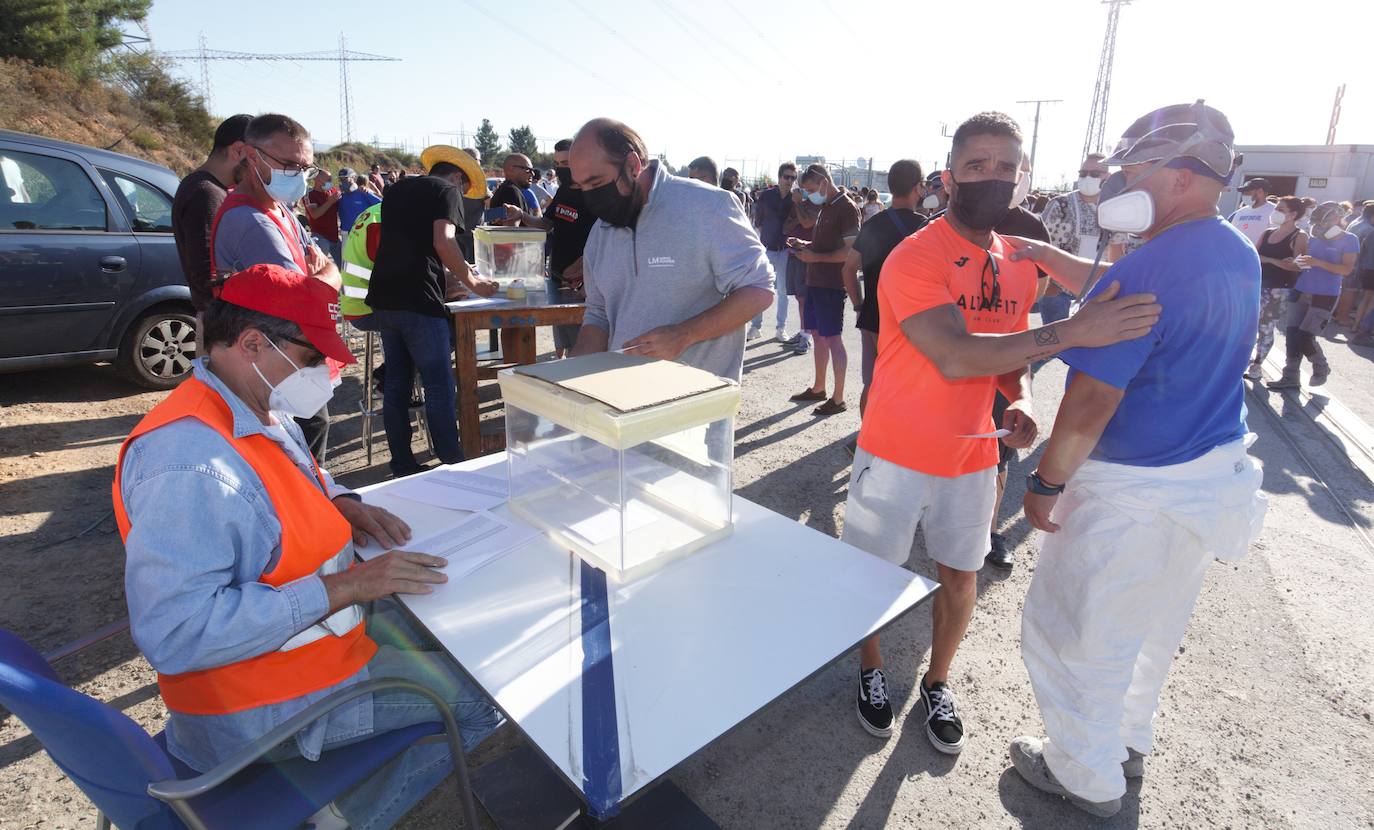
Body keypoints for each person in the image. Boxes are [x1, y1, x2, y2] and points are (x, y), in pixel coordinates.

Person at [114, 263, 501, 830]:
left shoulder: (252, 407)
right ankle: (344, 817)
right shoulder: (190, 465)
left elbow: (300, 476)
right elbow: (176, 634)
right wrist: (349, 585)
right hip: (258, 702)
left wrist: (343, 501)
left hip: (298, 660)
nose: (328, 372)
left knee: (455, 632)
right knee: (483, 698)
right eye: (313, 358)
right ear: (251, 344)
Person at [839, 111, 1162, 749]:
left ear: (1022, 179)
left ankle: (937, 682)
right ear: (950, 174)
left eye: (1006, 168)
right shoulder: (914, 256)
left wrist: (1024, 394)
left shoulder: (1015, 260)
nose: (992, 178)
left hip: (973, 455)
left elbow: (1017, 348)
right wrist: (1072, 332)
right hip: (895, 452)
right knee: (871, 574)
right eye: (978, 165)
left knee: (962, 575)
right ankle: (871, 668)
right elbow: (957, 353)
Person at [1006, 100, 1266, 819]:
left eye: (1133, 170)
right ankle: (1125, 742)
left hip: (1133, 492)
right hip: (1203, 479)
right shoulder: (1231, 249)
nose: (1118, 183)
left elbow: (1089, 401)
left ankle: (1083, 775)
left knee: (1076, 633)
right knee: (1149, 629)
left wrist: (1046, 482)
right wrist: (1047, 260)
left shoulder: (1149, 264)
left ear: (1180, 176)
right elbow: (1107, 288)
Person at [568, 117, 774, 380]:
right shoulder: (601, 232)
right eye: (581, 186)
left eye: (595, 184)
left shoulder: (708, 207)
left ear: (632, 165)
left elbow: (760, 289)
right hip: (622, 399)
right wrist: (568, 376)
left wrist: (684, 334)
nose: (590, 197)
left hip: (695, 406)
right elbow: (599, 315)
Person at [210, 113, 340, 461]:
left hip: (293, 355)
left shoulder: (279, 209)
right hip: (274, 362)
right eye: (290, 165)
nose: (299, 177)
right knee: (297, 449)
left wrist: (323, 276)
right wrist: (329, 278)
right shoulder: (250, 222)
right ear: (252, 157)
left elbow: (322, 264)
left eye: (306, 168)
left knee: (309, 436)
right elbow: (306, 298)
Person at [365, 145, 497, 476]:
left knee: (396, 384)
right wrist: (473, 283)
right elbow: (442, 241)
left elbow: (416, 241)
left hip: (385, 295)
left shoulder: (397, 189)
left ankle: (402, 463)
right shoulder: (447, 190)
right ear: (456, 177)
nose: (463, 196)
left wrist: (461, 268)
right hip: (418, 299)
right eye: (464, 189)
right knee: (438, 386)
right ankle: (451, 462)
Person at [843, 159, 925, 417]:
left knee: (873, 381)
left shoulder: (873, 224)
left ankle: (866, 438)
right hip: (906, 320)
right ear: (918, 188)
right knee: (902, 384)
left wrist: (858, 304)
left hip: (871, 315)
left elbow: (848, 269)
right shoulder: (925, 228)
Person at [501, 139, 597, 358]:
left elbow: (607, 239)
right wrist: (522, 215)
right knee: (563, 335)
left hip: (583, 280)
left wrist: (585, 267)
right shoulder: (564, 191)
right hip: (558, 274)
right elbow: (547, 224)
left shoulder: (594, 194)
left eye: (566, 162)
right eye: (558, 163)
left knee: (582, 346)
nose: (561, 168)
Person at [1266, 201, 1360, 389]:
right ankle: (1290, 377)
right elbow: (1307, 260)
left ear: (1336, 218)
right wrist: (1295, 261)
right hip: (1301, 288)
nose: (1318, 226)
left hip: (1325, 293)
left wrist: (1318, 263)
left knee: (1305, 335)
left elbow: (1347, 270)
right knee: (1292, 334)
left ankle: (1321, 366)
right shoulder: (1314, 238)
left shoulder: (1349, 239)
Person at [789, 165, 859, 416]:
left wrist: (814, 257)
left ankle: (838, 398)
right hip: (816, 281)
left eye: (810, 190)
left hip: (831, 284)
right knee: (818, 336)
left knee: (833, 339)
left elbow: (851, 253)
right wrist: (804, 245)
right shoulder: (827, 206)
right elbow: (825, 245)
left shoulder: (847, 207)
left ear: (823, 182)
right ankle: (819, 388)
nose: (808, 196)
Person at [172, 113, 251, 322]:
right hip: (223, 326)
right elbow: (209, 276)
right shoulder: (205, 193)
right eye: (256, 159)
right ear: (239, 150)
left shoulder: (210, 189)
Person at [1038, 154, 1111, 324]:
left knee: (1088, 347)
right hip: (1058, 292)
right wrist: (1048, 285)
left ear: (1107, 177)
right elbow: (1040, 242)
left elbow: (1117, 250)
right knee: (1054, 348)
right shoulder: (1059, 204)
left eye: (1094, 174)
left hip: (1097, 293)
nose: (1087, 177)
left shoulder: (1111, 208)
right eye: (1083, 173)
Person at [1245, 196, 1307, 379]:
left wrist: (1271, 260)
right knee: (1249, 325)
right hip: (1257, 285)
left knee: (1266, 327)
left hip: (1280, 288)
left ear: (1293, 214)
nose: (1275, 212)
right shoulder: (1268, 232)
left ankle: (1257, 365)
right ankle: (1246, 358)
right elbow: (1254, 255)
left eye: (1281, 209)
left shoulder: (1299, 236)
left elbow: (1298, 265)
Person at [753, 162, 802, 344]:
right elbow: (758, 221)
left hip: (784, 251)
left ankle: (780, 328)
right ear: (779, 177)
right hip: (765, 249)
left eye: (793, 177)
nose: (789, 180)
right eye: (786, 176)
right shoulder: (766, 196)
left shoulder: (795, 200)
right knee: (759, 288)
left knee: (782, 291)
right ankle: (755, 326)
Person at [304, 170, 343, 265]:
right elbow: (314, 214)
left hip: (335, 237)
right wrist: (330, 202)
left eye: (331, 180)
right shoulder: (310, 195)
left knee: (343, 266)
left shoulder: (332, 191)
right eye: (328, 180)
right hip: (320, 237)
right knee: (319, 266)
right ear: (318, 180)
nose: (331, 182)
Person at [1349, 202, 1374, 345]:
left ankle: (1355, 326)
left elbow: (1362, 251)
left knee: (1365, 299)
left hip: (1366, 269)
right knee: (1372, 301)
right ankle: (1364, 328)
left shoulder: (1371, 233)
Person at [1228, 177, 1276, 246]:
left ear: (1260, 191)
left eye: (1248, 192)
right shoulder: (1240, 212)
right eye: (1243, 193)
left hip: (1258, 255)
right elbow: (1231, 233)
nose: (1244, 195)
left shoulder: (1274, 210)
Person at [336, 167, 381, 235]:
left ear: (353, 178)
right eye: (341, 179)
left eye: (345, 178)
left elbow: (382, 206)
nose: (342, 181)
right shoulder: (340, 196)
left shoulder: (364, 192)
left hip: (362, 233)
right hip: (345, 233)